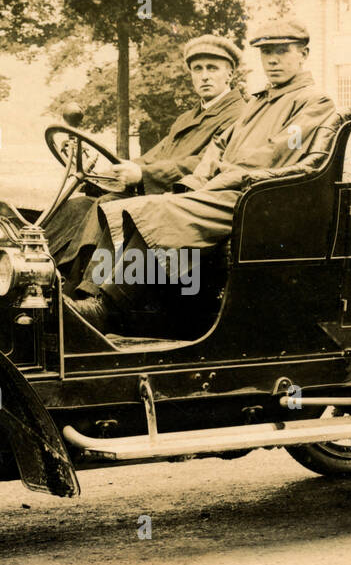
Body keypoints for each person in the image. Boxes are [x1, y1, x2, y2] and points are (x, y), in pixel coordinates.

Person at [69, 19, 336, 333]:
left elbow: (277, 151)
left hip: (256, 200)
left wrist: (217, 180)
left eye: (282, 51)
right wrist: (195, 184)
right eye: (266, 53)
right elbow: (219, 146)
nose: (273, 60)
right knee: (124, 207)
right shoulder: (259, 101)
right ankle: (87, 295)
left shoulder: (314, 101)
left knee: (155, 211)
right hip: (224, 192)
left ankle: (105, 309)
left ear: (303, 54)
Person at [40, 34, 245, 269]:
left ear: (230, 74)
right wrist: (109, 172)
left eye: (212, 68)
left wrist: (143, 175)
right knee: (78, 206)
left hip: (188, 202)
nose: (204, 76)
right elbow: (154, 156)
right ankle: (33, 268)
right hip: (162, 195)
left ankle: (76, 283)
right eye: (197, 69)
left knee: (105, 206)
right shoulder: (187, 117)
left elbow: (204, 164)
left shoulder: (238, 114)